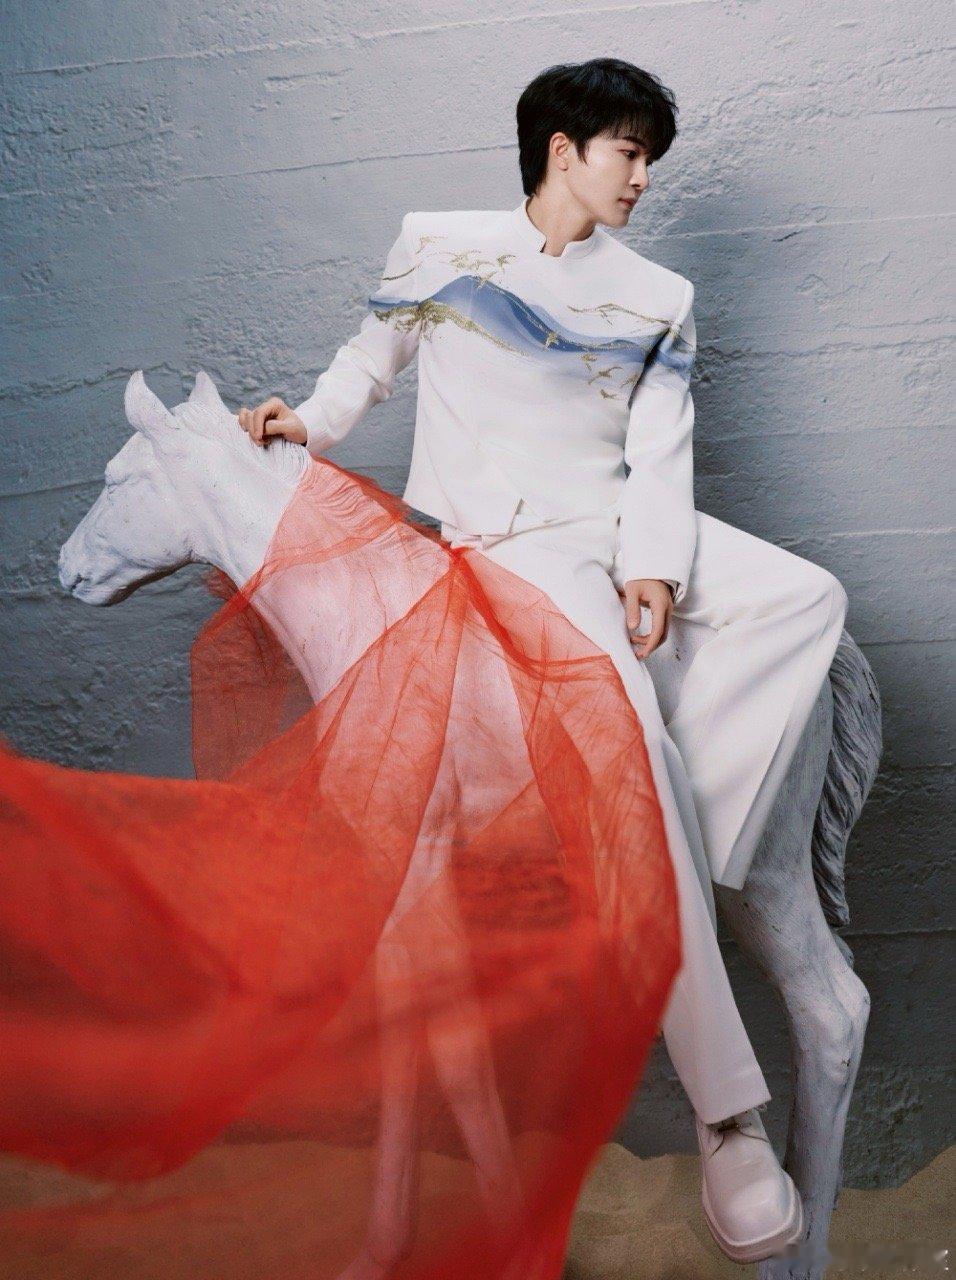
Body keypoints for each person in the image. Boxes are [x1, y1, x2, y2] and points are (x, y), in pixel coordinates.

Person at [239, 57, 848, 1264]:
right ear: (561, 149)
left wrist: (654, 568)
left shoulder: (658, 292)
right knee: (633, 747)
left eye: (648, 156)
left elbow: (662, 448)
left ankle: (714, 811)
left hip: (608, 532)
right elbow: (367, 363)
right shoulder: (437, 244)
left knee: (813, 597)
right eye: (627, 151)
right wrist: (307, 420)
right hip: (510, 550)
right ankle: (729, 1116)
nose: (642, 176)